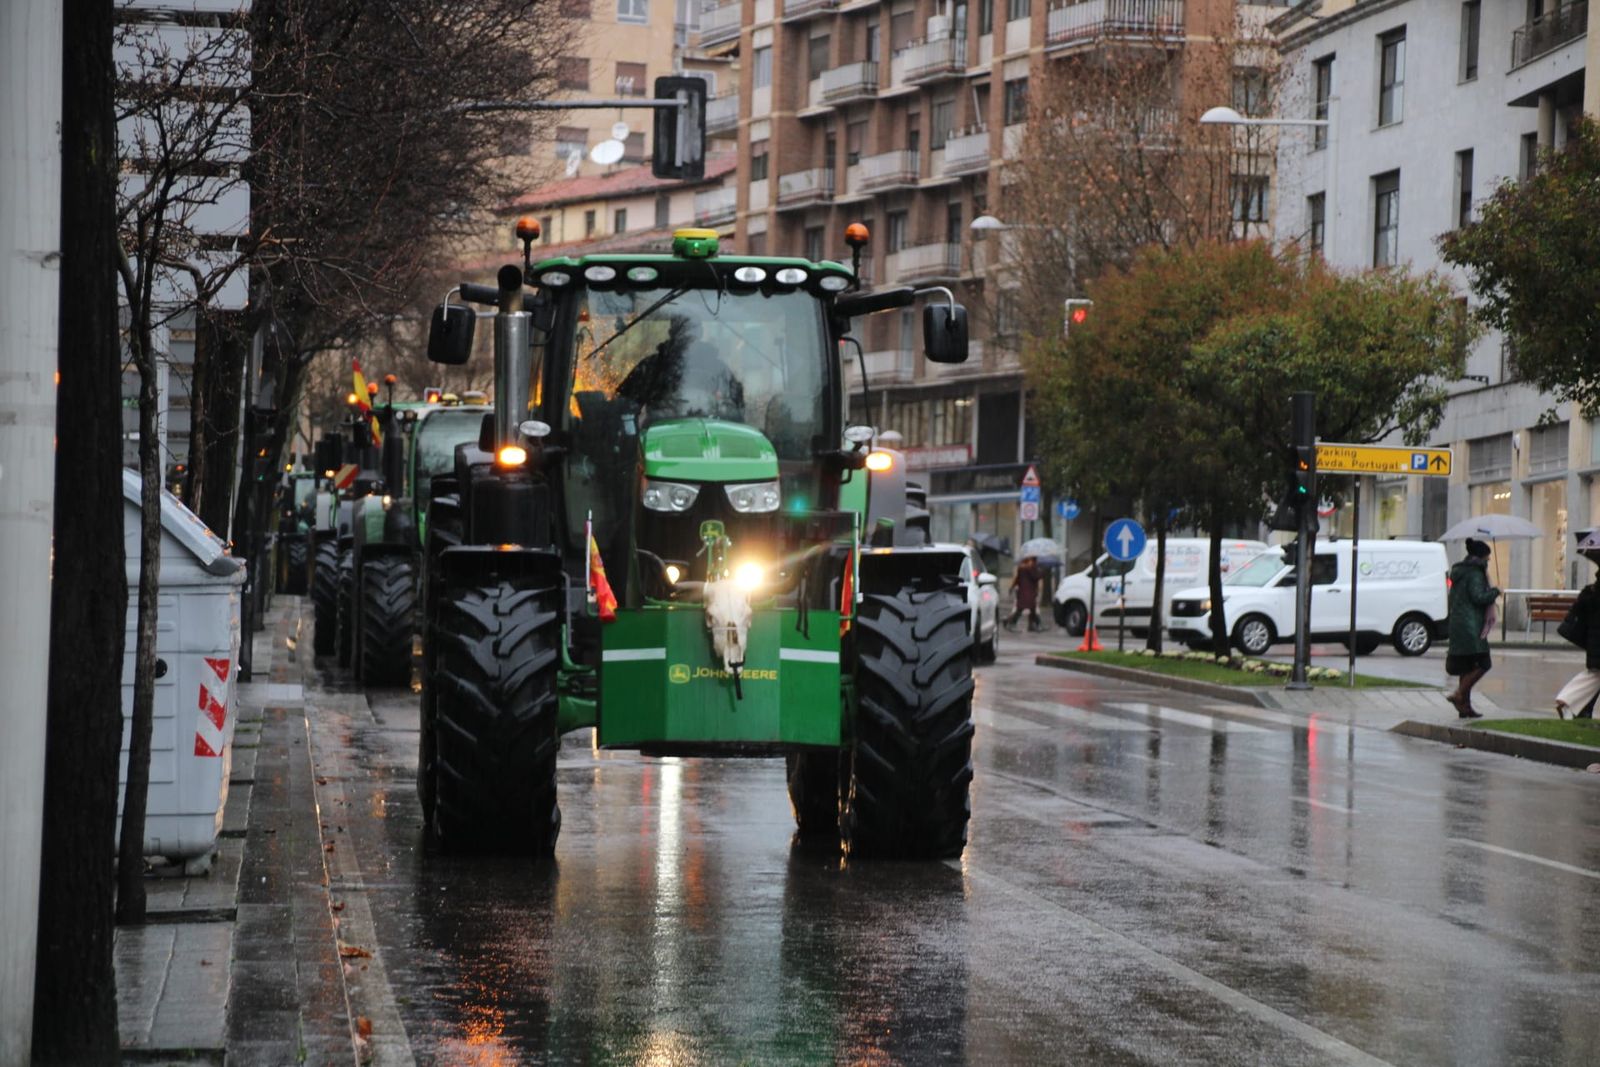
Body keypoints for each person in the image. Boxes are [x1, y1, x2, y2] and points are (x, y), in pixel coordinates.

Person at [1444, 538, 1500, 719]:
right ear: (1481, 557)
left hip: (1458, 623)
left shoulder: (1459, 570)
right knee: (1484, 663)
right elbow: (1478, 597)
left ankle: (1465, 708)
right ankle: (1459, 694)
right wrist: (1495, 591)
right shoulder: (1475, 573)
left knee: (1466, 666)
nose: (1489, 560)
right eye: (1487, 557)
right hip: (1472, 626)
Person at [1554, 546, 1600, 719]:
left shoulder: (1592, 590)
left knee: (1595, 674)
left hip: (1594, 641)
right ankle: (1567, 701)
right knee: (1595, 675)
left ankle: (1570, 703)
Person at [1007, 555, 1043, 633]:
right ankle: (1011, 622)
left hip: (1024, 591)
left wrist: (1012, 587)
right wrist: (1040, 571)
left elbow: (1017, 579)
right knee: (1022, 608)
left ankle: (1035, 624)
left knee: (1031, 608)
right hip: (1028, 592)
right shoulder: (1030, 568)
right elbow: (1035, 577)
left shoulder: (1021, 568)